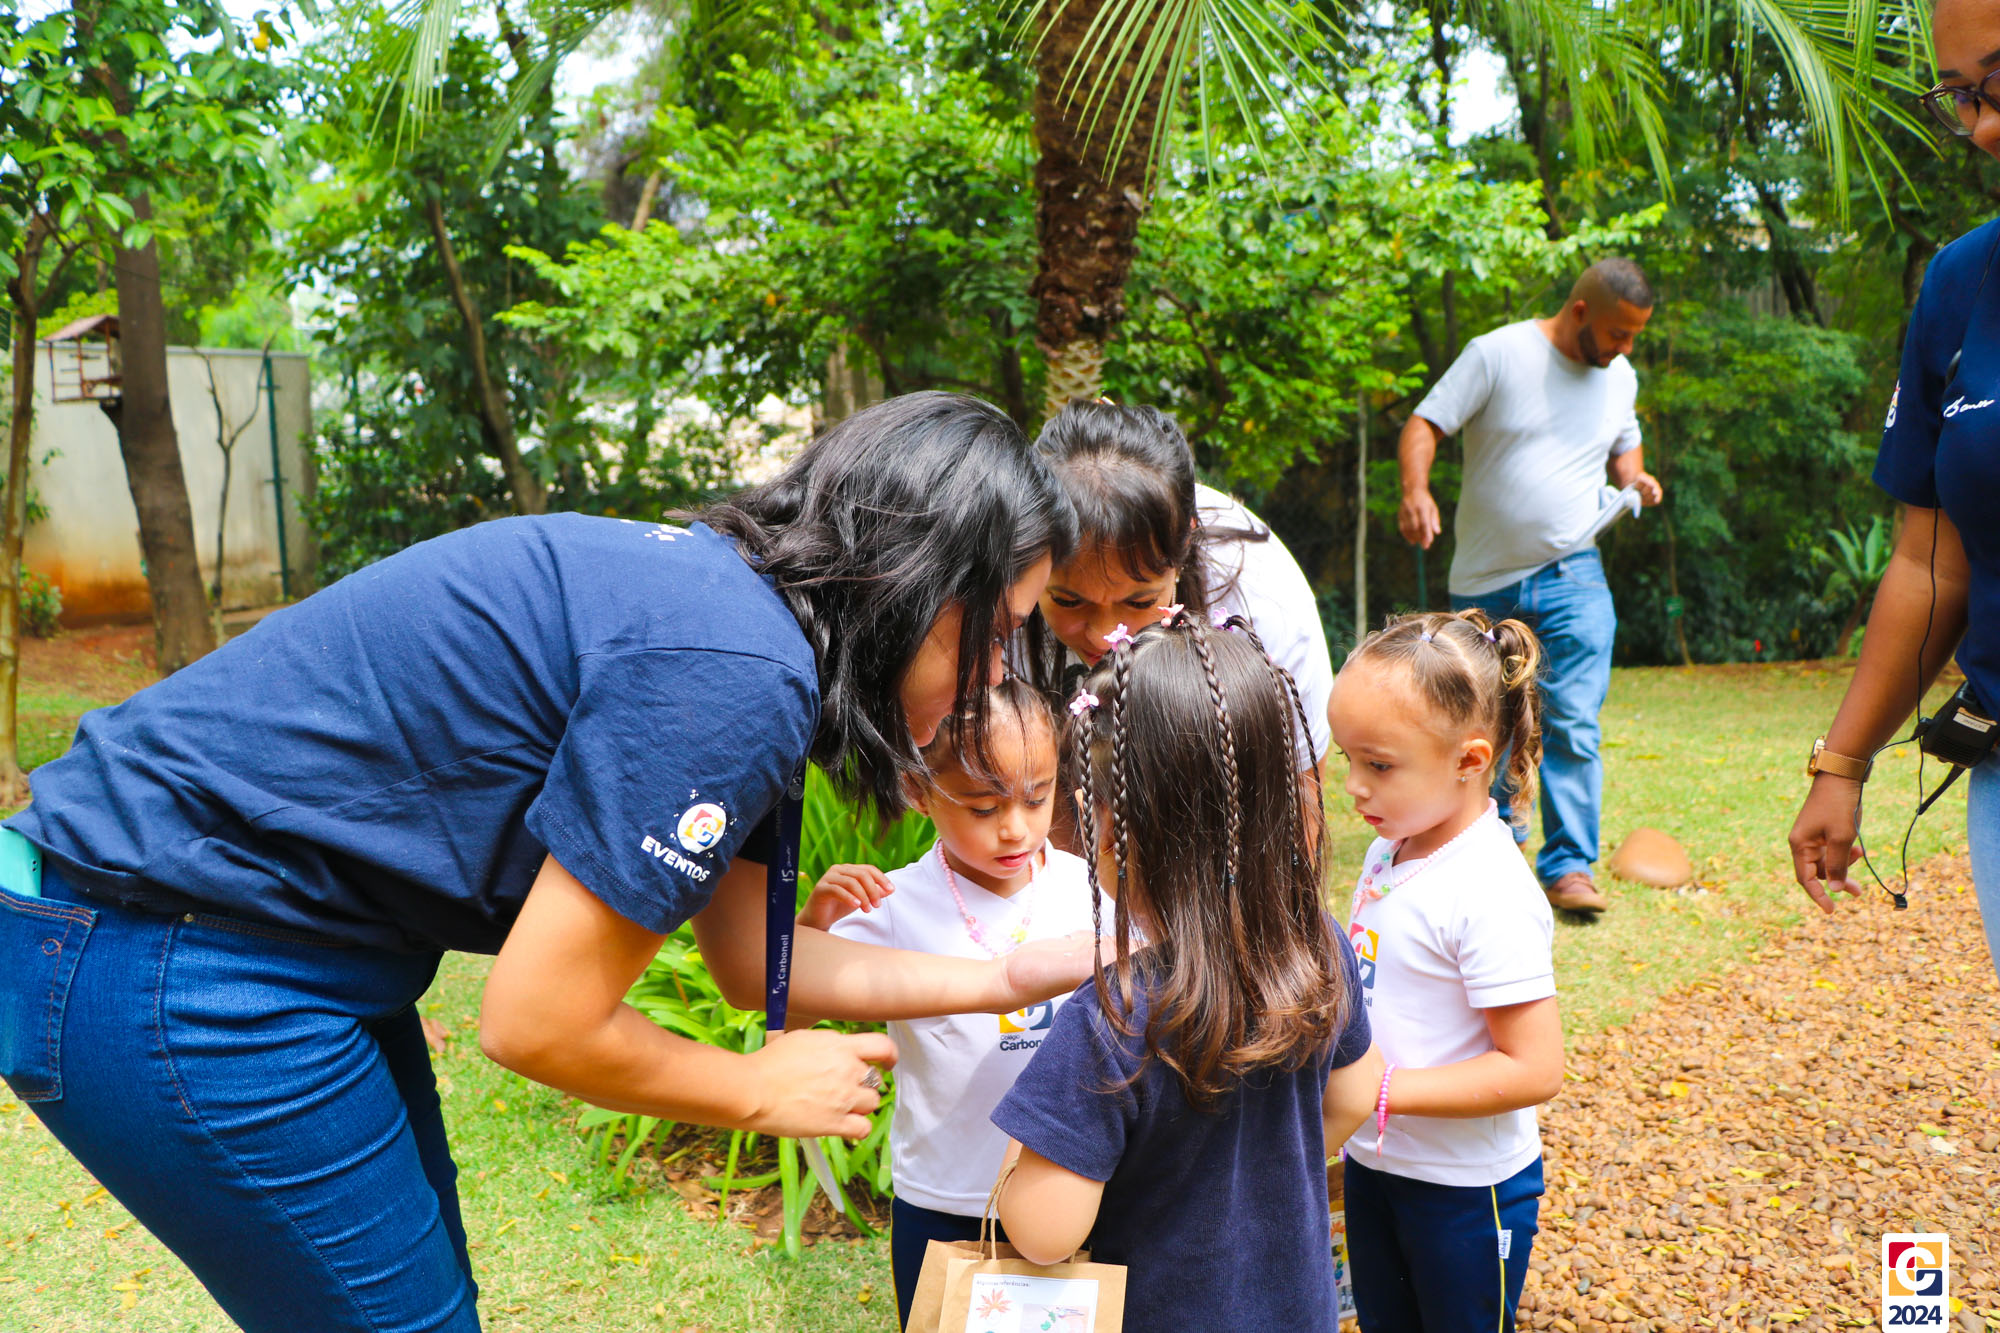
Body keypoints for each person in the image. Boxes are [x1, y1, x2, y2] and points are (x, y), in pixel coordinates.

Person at [0, 392, 1101, 1333]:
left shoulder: (745, 632)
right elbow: (536, 1021)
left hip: (245, 940)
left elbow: (749, 967)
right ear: (919, 585)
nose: (995, 673)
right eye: (996, 630)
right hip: (169, 949)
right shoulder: (732, 671)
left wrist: (1004, 978)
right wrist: (752, 1090)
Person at [990, 611, 1382, 1333]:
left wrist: (1025, 1145)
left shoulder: (1112, 1016)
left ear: (1112, 830)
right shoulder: (1319, 944)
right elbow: (1357, 1092)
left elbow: (1044, 1233)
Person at [1789, 0, 2000, 981]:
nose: (1982, 126)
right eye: (1959, 97)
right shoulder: (1962, 284)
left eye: (1996, 82)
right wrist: (1843, 762)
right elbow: (1928, 561)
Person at [798, 678, 1094, 1330]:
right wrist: (816, 924)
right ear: (918, 791)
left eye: (1037, 797)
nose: (1015, 828)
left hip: (1076, 1192)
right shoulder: (892, 905)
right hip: (943, 1199)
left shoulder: (1091, 889)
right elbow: (791, 1009)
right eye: (984, 809)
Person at [1398, 259, 1663, 914]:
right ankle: (1492, 852)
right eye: (1619, 333)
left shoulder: (1619, 376)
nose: (1627, 348)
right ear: (1580, 311)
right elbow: (1424, 425)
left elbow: (1624, 444)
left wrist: (1635, 478)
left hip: (1575, 573)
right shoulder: (1498, 354)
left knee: (1572, 720)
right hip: (1485, 583)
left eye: (1636, 335)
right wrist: (1415, 492)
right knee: (1485, 723)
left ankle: (1569, 867)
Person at [1327, 609, 1566, 1333]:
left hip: (1465, 1190)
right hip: (1376, 1162)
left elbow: (1535, 1068)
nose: (1353, 786)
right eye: (1348, 759)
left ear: (1469, 761)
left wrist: (1381, 1090)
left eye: (1378, 765)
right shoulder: (1390, 849)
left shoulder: (1489, 889)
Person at [1021, 399, 1335, 767]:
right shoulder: (1002, 581)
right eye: (1069, 601)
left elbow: (1300, 789)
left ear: (1185, 544)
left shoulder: (1263, 602)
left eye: (1139, 602)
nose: (1107, 638)